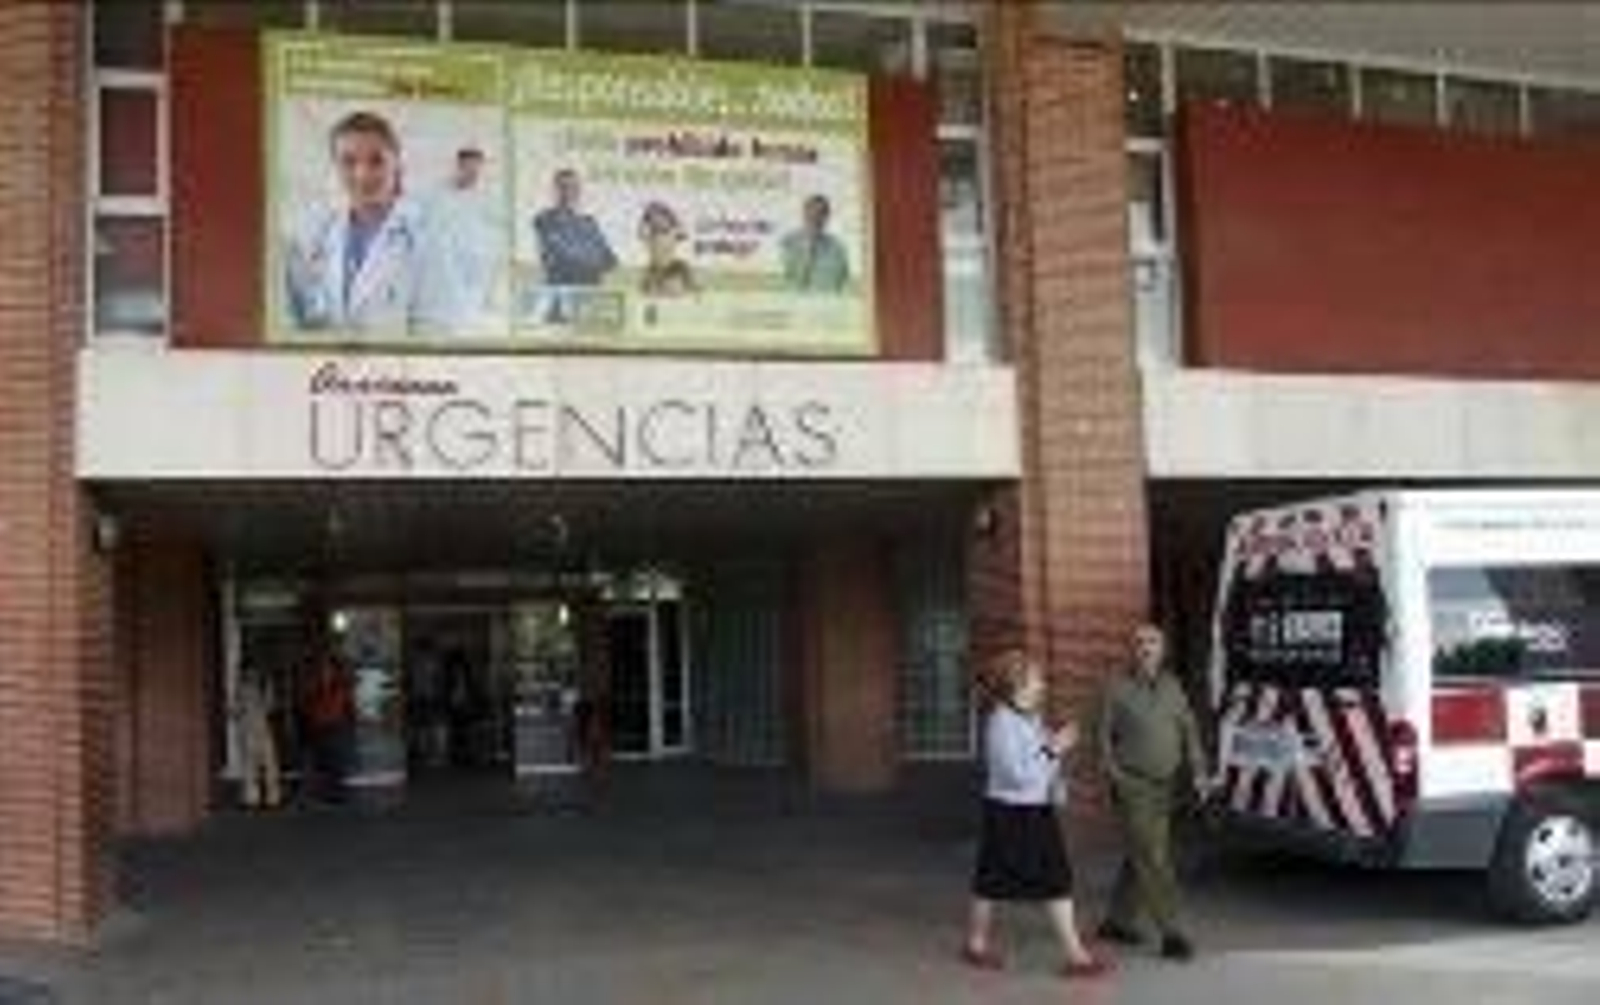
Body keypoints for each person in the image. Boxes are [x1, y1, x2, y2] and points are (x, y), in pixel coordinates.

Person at [962, 650, 1111, 980]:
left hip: (1033, 809)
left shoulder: (1030, 717)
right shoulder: (1001, 722)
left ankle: (1072, 954)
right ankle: (980, 945)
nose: (1042, 685)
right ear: (1017, 685)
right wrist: (1054, 748)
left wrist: (1056, 773)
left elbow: (1043, 764)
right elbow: (1017, 774)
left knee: (1043, 878)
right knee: (1001, 879)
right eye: (1036, 679)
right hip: (1010, 811)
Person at [284, 110, 467, 336]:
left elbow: (438, 330)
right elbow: (310, 316)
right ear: (335, 166)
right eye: (348, 162)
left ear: (397, 162)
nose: (362, 174)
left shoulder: (428, 236)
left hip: (399, 371)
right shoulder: (320, 232)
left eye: (376, 160)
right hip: (329, 369)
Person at [1096, 623, 1214, 961]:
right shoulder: (1115, 688)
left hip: (1167, 785)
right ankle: (1172, 933)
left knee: (1141, 853)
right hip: (1134, 786)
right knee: (1155, 856)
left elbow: (1189, 730)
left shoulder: (1173, 686)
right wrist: (1117, 777)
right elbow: (1102, 740)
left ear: (1163, 649)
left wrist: (1200, 773)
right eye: (1139, 642)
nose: (1146, 648)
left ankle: (1117, 921)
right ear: (1130, 650)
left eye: (1153, 642)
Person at [531, 168, 618, 322]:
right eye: (564, 187)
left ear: (579, 191)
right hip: (561, 300)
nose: (569, 192)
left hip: (590, 298)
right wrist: (591, 254)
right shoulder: (545, 220)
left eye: (573, 187)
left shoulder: (589, 223)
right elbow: (565, 257)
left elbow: (610, 260)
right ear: (556, 191)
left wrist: (586, 257)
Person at [425, 145, 502, 319]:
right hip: (444, 265)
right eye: (468, 168)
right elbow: (431, 226)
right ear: (459, 166)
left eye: (476, 170)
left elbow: (495, 233)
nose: (472, 174)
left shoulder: (486, 196)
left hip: (474, 264)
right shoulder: (438, 192)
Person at [300, 654, 355, 803]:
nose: (325, 672)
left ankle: (337, 792)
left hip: (335, 725)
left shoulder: (340, 686)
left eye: (328, 669)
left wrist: (347, 722)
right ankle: (324, 791)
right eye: (323, 669)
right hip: (319, 726)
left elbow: (347, 706)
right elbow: (307, 704)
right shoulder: (315, 686)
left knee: (336, 761)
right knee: (323, 760)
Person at [779, 194, 851, 292]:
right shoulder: (787, 243)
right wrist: (807, 248)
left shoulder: (837, 248)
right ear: (804, 214)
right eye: (811, 212)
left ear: (827, 217)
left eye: (820, 213)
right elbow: (787, 280)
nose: (815, 218)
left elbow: (841, 282)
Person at [233, 667, 282, 810]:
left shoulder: (265, 686)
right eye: (249, 674)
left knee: (270, 764)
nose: (251, 675)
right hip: (249, 729)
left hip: (262, 727)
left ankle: (272, 798)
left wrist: (267, 689)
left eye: (253, 673)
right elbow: (235, 710)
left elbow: (270, 706)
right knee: (250, 765)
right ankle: (252, 799)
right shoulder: (242, 689)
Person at [637, 202, 698, 297]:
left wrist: (674, 222)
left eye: (664, 230)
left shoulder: (672, 233)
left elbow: (684, 232)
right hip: (655, 272)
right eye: (654, 230)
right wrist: (645, 218)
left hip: (671, 270)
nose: (658, 222)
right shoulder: (650, 237)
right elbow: (641, 232)